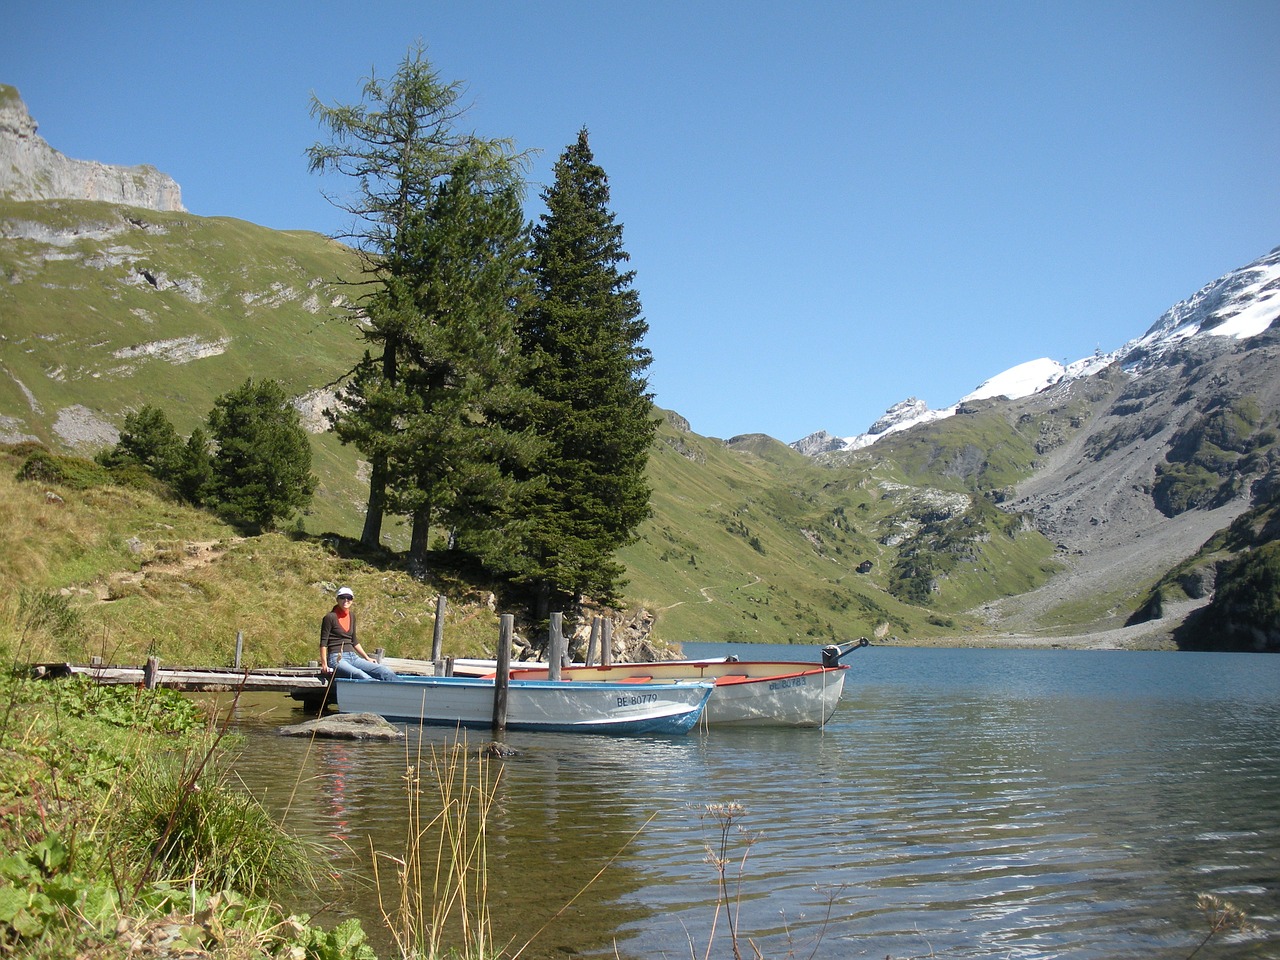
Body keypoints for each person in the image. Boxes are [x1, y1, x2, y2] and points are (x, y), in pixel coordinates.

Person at [320, 586, 399, 681]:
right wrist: (324, 664)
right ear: (337, 599)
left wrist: (366, 657)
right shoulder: (330, 617)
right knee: (360, 675)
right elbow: (323, 643)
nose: (346, 600)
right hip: (336, 658)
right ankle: (378, 692)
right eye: (342, 597)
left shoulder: (352, 616)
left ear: (352, 600)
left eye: (349, 598)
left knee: (384, 670)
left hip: (353, 657)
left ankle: (405, 691)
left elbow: (354, 641)